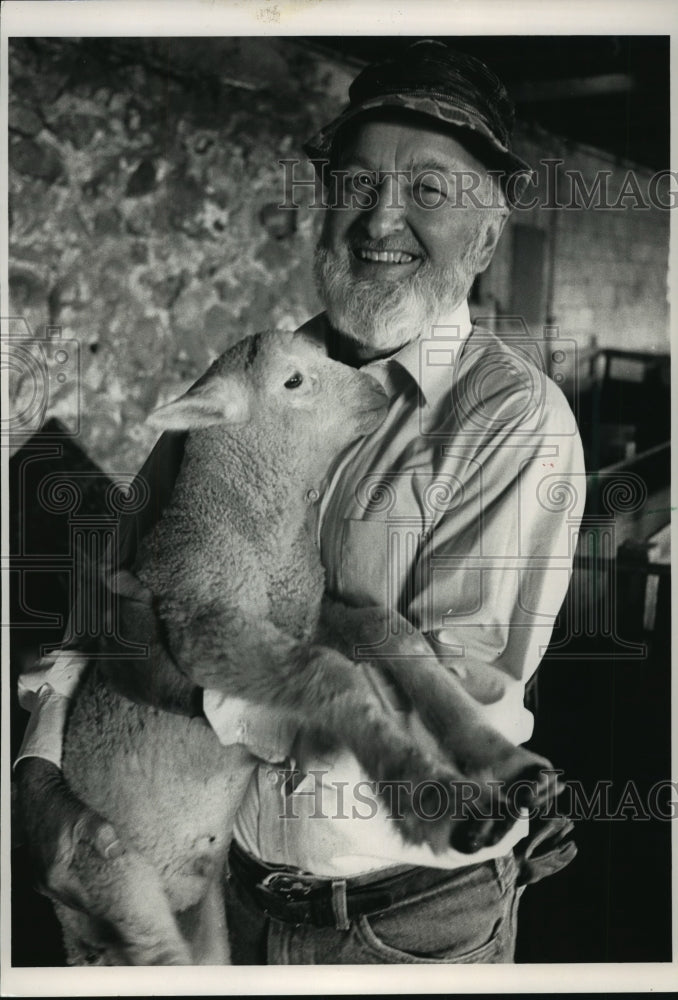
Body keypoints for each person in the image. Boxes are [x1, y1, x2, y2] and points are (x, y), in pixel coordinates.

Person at [15, 40, 584, 965]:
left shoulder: (510, 419)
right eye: (355, 182)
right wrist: (35, 779)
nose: (382, 219)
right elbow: (107, 594)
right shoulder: (245, 382)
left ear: (487, 233)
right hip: (228, 891)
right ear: (323, 206)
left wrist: (187, 686)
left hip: (402, 921)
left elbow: (450, 691)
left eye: (431, 191)